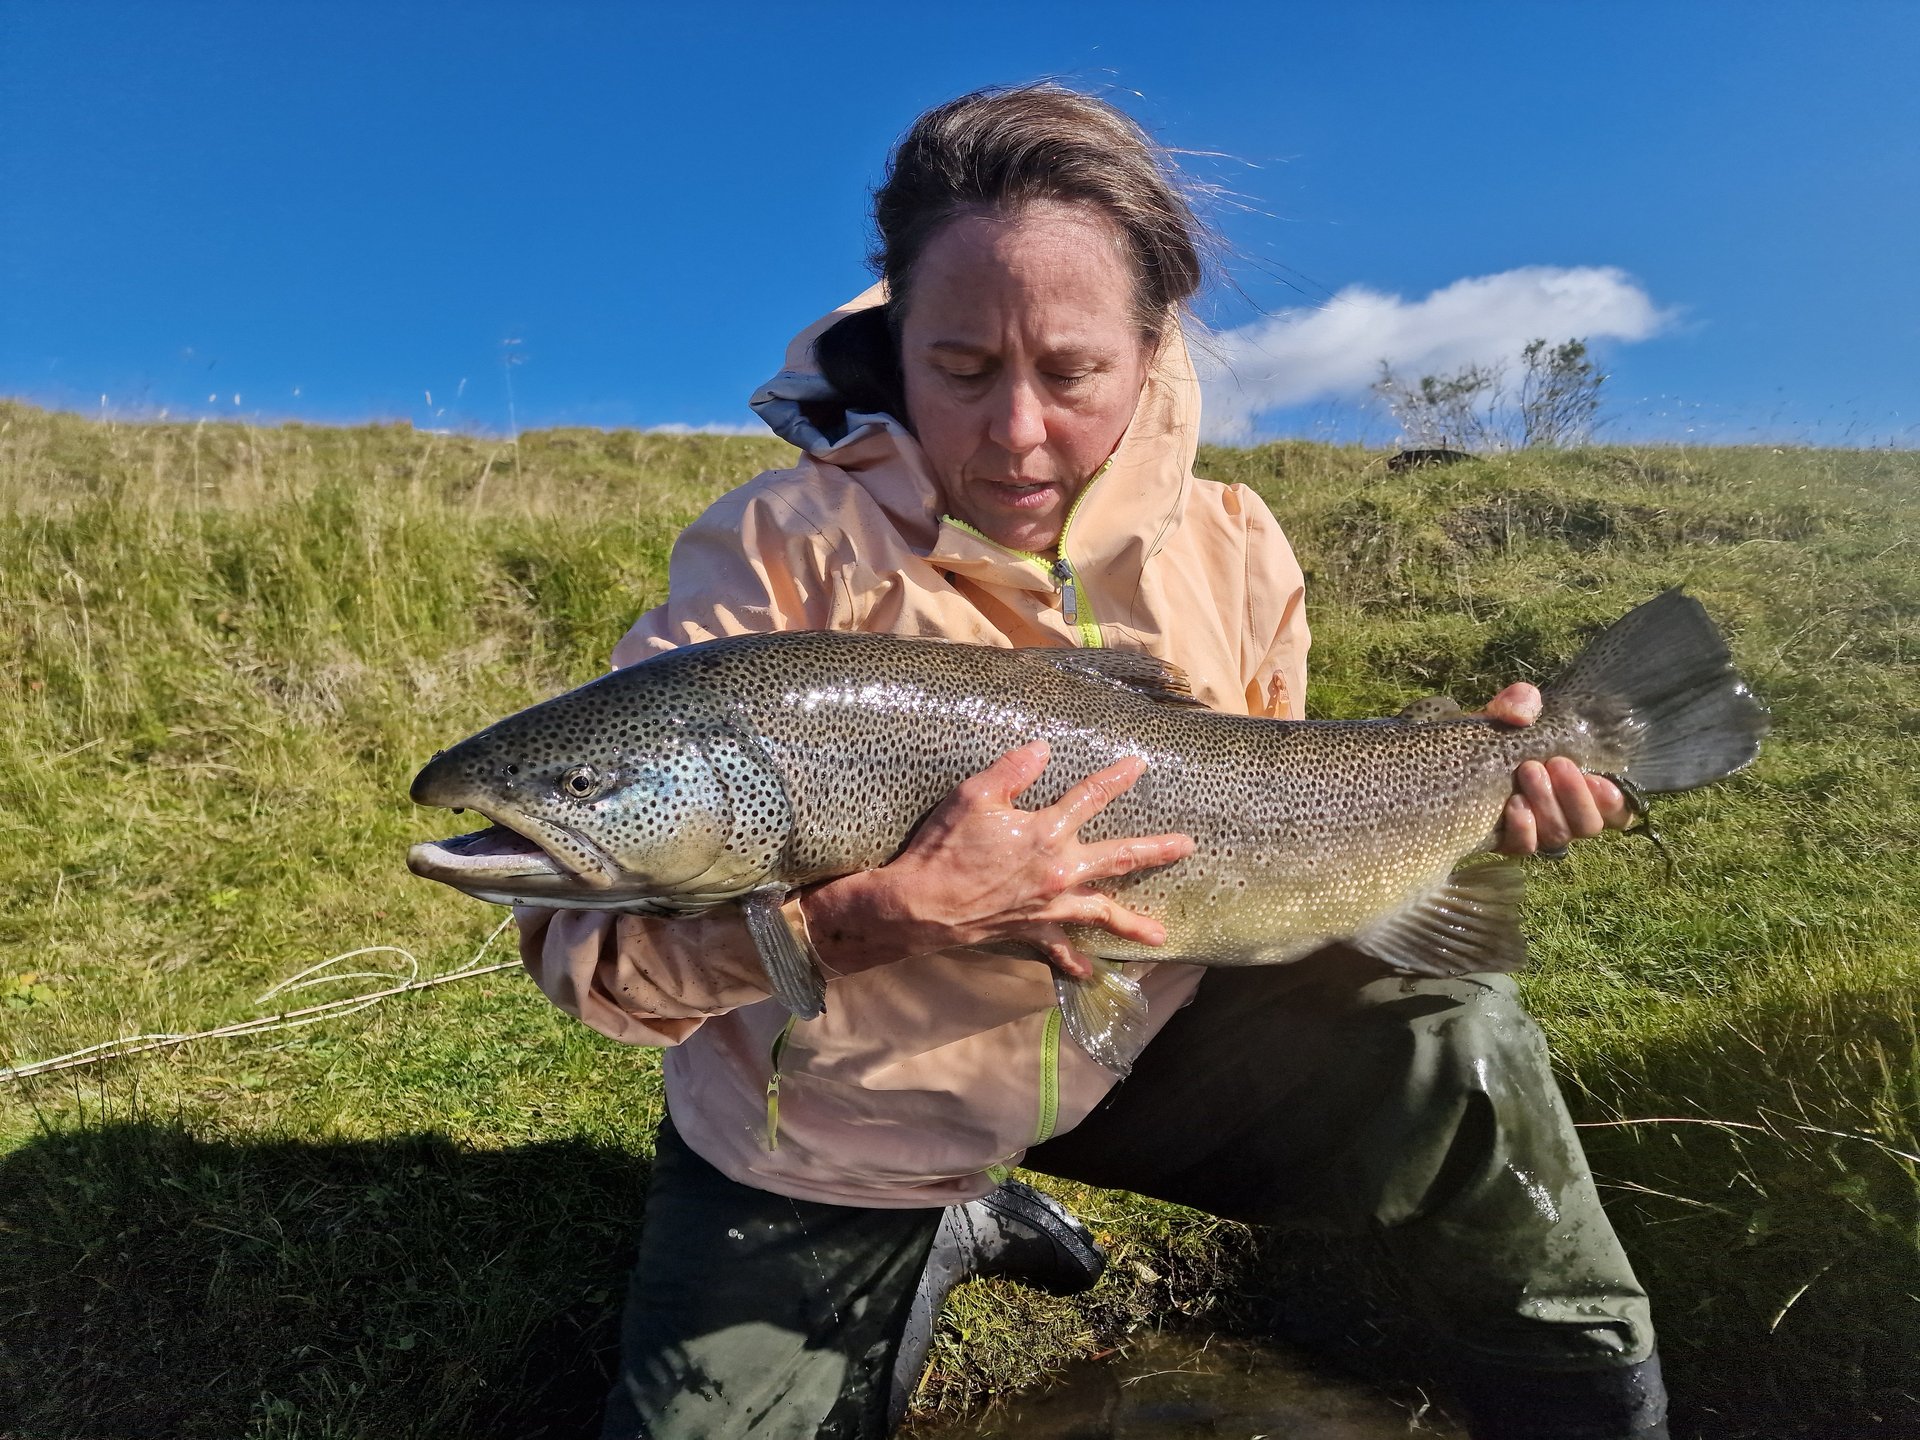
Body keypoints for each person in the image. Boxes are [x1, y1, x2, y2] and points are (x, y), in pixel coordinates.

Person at [518, 84, 1666, 1440]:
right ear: (896, 339)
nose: (1015, 433)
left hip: (1142, 1053)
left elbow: (1280, 811)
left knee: (1455, 1034)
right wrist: (868, 921)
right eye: (960, 370)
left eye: (1070, 375)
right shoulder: (770, 556)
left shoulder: (1238, 545)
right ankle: (947, 1218)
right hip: (835, 1135)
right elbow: (582, 961)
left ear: (1150, 344)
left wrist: (1469, 785)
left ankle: (1599, 1409)